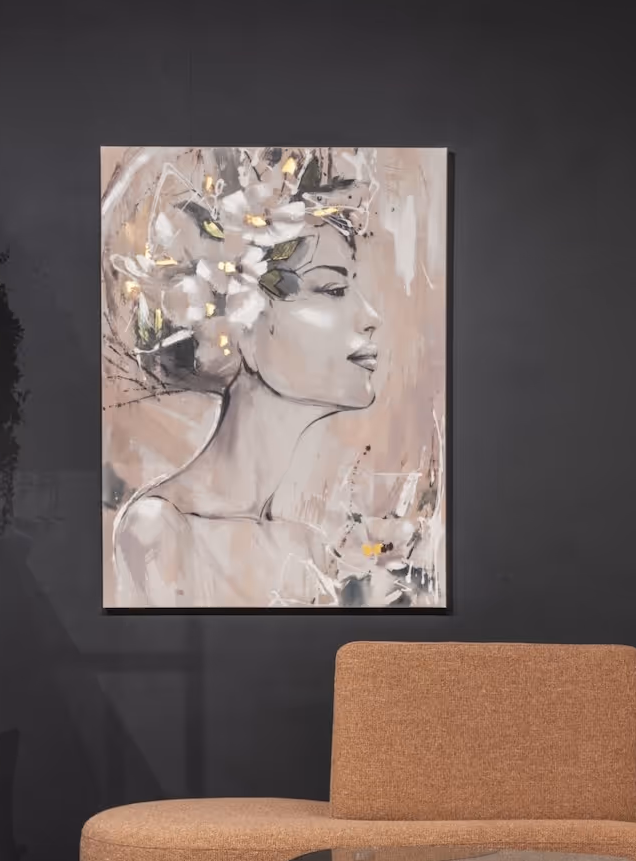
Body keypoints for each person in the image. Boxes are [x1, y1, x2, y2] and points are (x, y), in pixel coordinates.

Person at [102, 147, 433, 607]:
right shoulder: (159, 530)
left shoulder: (308, 545)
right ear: (237, 325)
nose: (371, 317)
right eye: (333, 288)